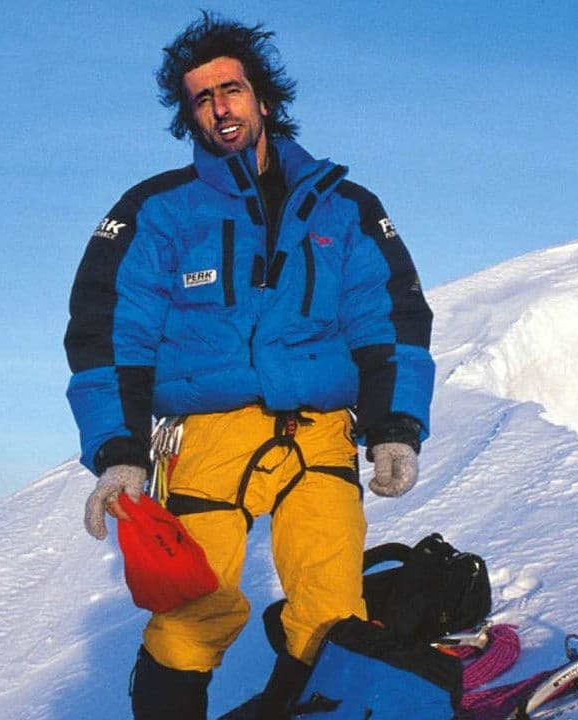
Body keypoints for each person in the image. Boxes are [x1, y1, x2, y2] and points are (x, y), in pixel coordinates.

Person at [63, 13, 434, 720]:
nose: (219, 107)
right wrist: (119, 451)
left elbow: (391, 320)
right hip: (208, 437)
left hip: (320, 432)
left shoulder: (346, 209)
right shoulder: (157, 211)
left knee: (331, 617)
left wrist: (395, 427)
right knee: (193, 614)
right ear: (190, 116)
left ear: (262, 97)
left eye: (230, 89)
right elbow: (108, 333)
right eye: (201, 98)